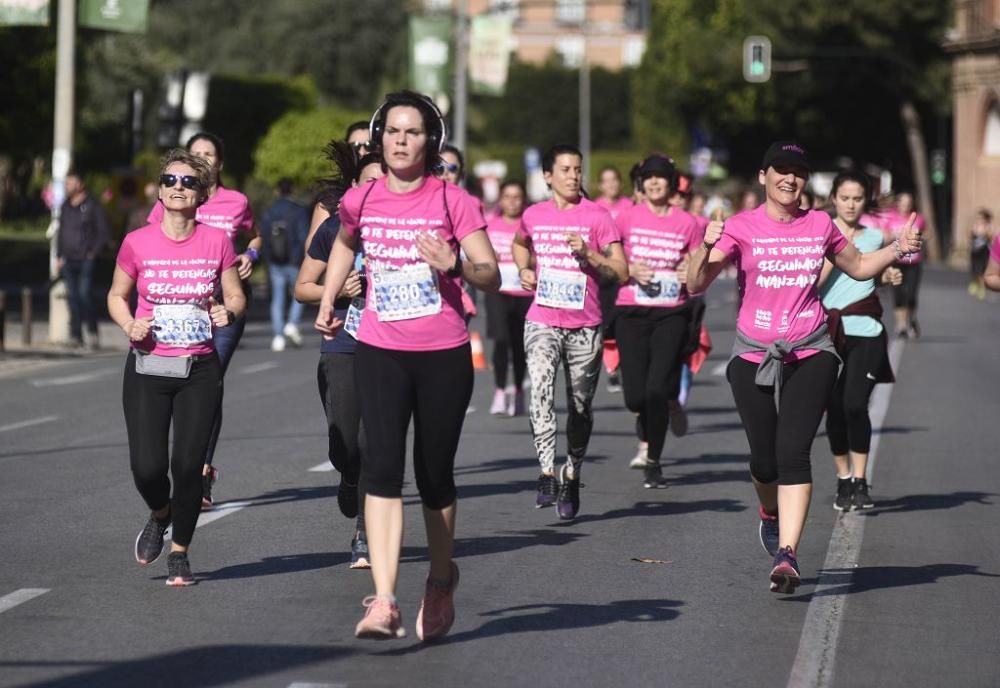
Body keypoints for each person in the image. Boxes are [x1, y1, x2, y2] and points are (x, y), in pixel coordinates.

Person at [687, 141, 921, 594]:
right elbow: (697, 282)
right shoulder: (739, 226)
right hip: (753, 351)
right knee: (764, 457)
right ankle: (769, 512)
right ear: (763, 176)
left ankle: (787, 553)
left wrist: (898, 248)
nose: (789, 178)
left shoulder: (819, 225)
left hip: (812, 348)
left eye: (797, 171)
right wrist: (705, 245)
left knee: (793, 450)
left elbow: (858, 267)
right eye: (781, 170)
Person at [315, 91, 499, 641]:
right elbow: (345, 243)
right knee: (382, 469)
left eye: (412, 132)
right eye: (392, 131)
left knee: (435, 475)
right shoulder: (363, 199)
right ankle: (386, 599)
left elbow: (489, 272)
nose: (400, 140)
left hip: (443, 353)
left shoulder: (453, 201)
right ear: (380, 137)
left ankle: (440, 581)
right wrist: (329, 297)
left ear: (430, 141)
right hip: (380, 348)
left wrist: (456, 264)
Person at [108, 149, 245, 586]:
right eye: (170, 180)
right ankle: (160, 512)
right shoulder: (137, 241)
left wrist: (228, 312)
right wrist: (129, 322)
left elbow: (236, 296)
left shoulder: (217, 242)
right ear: (160, 189)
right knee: (147, 468)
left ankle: (181, 552)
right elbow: (115, 295)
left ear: (202, 192)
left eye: (188, 182)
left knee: (187, 466)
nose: (178, 187)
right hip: (148, 364)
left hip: (199, 369)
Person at [512, 144, 628, 520]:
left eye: (578, 169)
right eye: (565, 170)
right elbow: (519, 243)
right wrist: (525, 269)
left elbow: (621, 271)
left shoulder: (598, 216)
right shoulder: (534, 214)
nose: (573, 176)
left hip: (585, 325)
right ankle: (546, 471)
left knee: (579, 406)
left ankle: (572, 471)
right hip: (542, 319)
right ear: (548, 175)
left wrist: (590, 255)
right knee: (540, 392)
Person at [146, 132, 261, 508]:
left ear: (220, 163)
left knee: (210, 379)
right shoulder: (172, 197)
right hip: (179, 311)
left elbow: (255, 236)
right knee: (186, 384)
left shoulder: (236, 201)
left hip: (222, 309)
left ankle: (201, 469)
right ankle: (189, 460)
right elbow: (149, 240)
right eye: (196, 154)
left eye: (209, 154)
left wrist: (249, 256)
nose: (203, 160)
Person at [296, 143, 384, 569]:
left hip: (392, 348)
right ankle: (347, 475)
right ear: (353, 188)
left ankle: (364, 535)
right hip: (344, 345)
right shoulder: (335, 229)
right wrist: (337, 290)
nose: (379, 188)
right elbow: (303, 288)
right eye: (370, 181)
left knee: (374, 444)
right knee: (345, 441)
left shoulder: (411, 231)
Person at [613, 155, 702, 487]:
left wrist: (688, 270)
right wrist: (630, 269)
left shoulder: (688, 223)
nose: (654, 183)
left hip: (671, 314)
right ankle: (662, 405)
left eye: (660, 178)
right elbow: (612, 257)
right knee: (635, 396)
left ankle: (653, 460)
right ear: (641, 184)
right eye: (648, 178)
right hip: (631, 312)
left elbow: (698, 266)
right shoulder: (625, 218)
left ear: (671, 183)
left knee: (654, 388)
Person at [818, 170, 901, 512]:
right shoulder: (819, 233)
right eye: (845, 198)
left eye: (857, 198)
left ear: (865, 200)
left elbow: (870, 274)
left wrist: (886, 275)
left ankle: (860, 479)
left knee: (854, 404)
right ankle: (842, 478)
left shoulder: (875, 237)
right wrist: (835, 250)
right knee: (834, 410)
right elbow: (814, 282)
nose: (851, 204)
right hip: (826, 333)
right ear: (834, 199)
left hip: (866, 332)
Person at [485, 179, 532, 416]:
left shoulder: (530, 225)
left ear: (523, 200)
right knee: (501, 340)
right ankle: (500, 392)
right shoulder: (490, 224)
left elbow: (539, 257)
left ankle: (520, 393)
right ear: (501, 200)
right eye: (508, 196)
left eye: (517, 197)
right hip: (498, 291)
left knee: (519, 345)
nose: (512, 201)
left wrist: (526, 261)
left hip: (524, 291)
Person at [57, 170, 112, 349]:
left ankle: (92, 331)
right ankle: (75, 335)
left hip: (86, 259)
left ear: (80, 185)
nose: (67, 187)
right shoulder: (65, 206)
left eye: (70, 183)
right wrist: (59, 255)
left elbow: (103, 232)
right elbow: (61, 232)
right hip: (68, 259)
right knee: (72, 298)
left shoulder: (92, 206)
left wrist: (93, 252)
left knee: (84, 295)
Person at [594, 166, 632, 392]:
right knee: (607, 323)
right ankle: (612, 368)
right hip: (602, 271)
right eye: (606, 181)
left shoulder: (629, 207)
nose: (611, 185)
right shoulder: (596, 208)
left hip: (626, 271)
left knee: (623, 321)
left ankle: (623, 364)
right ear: (601, 185)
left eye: (614, 180)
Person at [261, 178, 309, 352]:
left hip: (275, 261)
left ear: (277, 191)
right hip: (294, 260)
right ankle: (292, 323)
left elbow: (264, 236)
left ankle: (278, 336)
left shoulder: (270, 211)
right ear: (292, 191)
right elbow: (304, 236)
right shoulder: (298, 210)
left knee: (277, 299)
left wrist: (267, 256)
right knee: (301, 294)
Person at [881, 191, 925, 338]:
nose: (906, 205)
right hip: (896, 261)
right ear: (898, 203)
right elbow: (884, 238)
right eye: (903, 202)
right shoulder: (890, 218)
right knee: (898, 293)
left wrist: (921, 239)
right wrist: (894, 236)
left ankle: (911, 319)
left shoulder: (918, 218)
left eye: (909, 202)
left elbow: (926, 234)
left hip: (913, 262)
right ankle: (901, 326)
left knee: (911, 294)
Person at [969, 208, 994, 300]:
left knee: (981, 269)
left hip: (983, 250)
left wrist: (984, 232)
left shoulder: (988, 226)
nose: (979, 219)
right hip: (975, 250)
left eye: (981, 217)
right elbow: (972, 234)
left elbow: (990, 236)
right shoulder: (976, 225)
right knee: (974, 268)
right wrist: (975, 230)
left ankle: (981, 288)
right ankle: (975, 283)